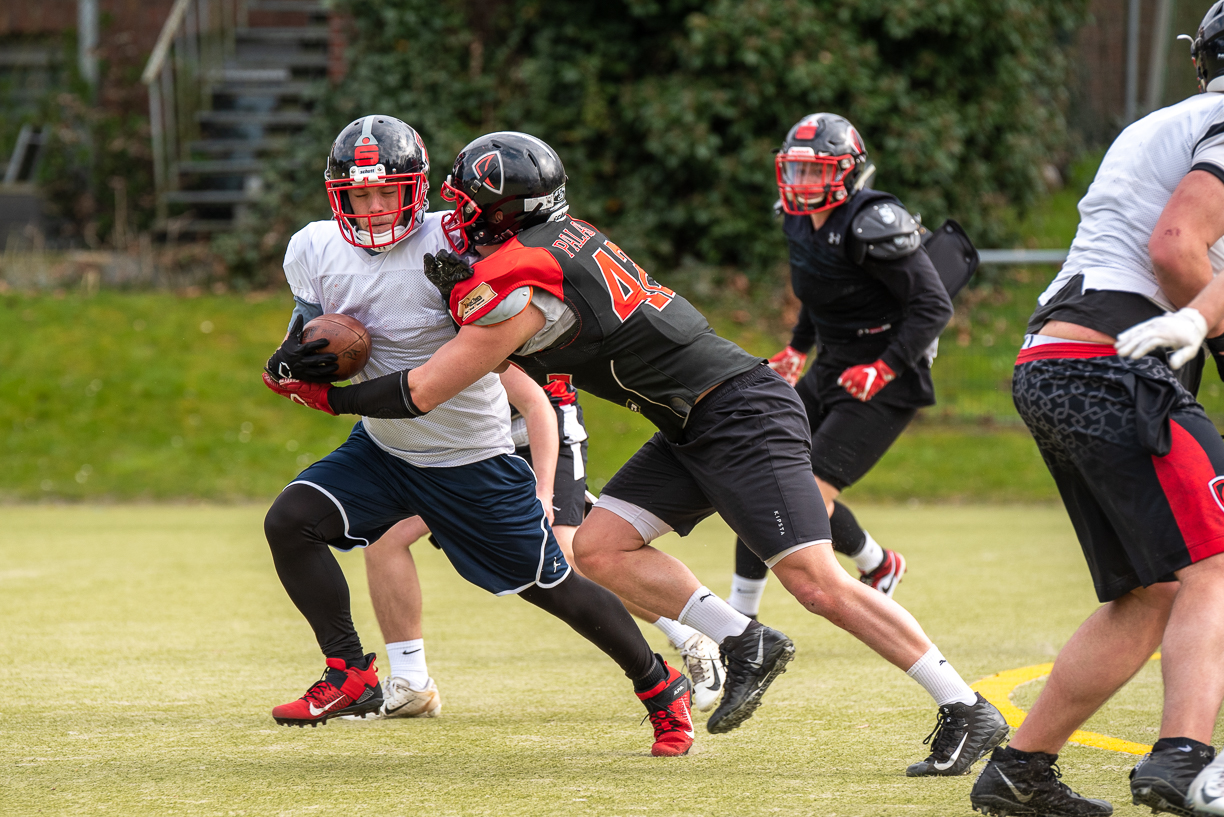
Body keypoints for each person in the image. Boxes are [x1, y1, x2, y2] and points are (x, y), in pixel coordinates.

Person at [270, 130, 1007, 775]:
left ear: (500, 213)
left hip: (739, 411)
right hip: (687, 416)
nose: (452, 217)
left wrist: (326, 397)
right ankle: (744, 639)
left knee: (815, 580)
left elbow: (426, 388)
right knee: (600, 545)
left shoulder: (513, 278)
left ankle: (965, 705)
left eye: (467, 205)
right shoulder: (559, 237)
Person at [260, 114, 697, 758]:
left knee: (553, 589)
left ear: (418, 189)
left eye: (388, 192)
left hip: (469, 457)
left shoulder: (457, 241)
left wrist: (328, 395)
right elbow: (307, 331)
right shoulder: (315, 246)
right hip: (383, 448)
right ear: (338, 195)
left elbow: (503, 332)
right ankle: (350, 672)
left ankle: (661, 687)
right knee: (290, 521)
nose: (375, 207)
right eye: (361, 195)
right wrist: (286, 365)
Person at [968, 6, 1224, 813]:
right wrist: (1200, 327)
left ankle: (1020, 770)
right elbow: (1177, 244)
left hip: (1053, 359)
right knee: (1217, 564)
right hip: (1115, 364)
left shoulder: (1170, 121)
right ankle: (1182, 757)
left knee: (1149, 591)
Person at [360, 374, 726, 718]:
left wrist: (544, 493)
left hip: (543, 430)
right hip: (472, 443)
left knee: (570, 548)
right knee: (385, 536)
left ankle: (692, 635)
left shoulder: (480, 319)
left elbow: (539, 407)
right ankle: (413, 682)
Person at [726, 113, 955, 621]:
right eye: (796, 170)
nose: (802, 183)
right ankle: (876, 565)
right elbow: (820, 287)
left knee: (794, 493)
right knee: (757, 472)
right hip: (832, 366)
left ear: (847, 171)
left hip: (886, 380)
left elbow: (933, 307)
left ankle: (741, 620)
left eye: (815, 171)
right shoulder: (795, 218)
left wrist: (885, 366)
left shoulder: (871, 221)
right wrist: (798, 346)